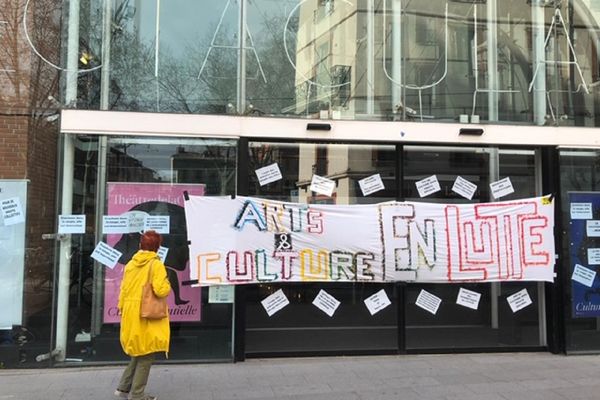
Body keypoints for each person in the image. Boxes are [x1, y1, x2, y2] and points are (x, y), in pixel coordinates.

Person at [114, 230, 171, 400]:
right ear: (157, 247)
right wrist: (167, 282)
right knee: (146, 355)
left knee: (138, 352)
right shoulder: (156, 264)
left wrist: (122, 307)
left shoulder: (131, 264)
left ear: (140, 245)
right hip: (147, 313)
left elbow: (124, 289)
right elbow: (161, 290)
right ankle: (138, 395)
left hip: (131, 311)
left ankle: (123, 388)